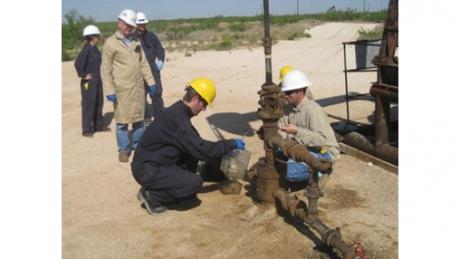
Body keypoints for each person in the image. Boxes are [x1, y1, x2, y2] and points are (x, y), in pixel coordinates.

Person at [131, 77, 246, 215]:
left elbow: (195, 145)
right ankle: (153, 196)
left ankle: (156, 186)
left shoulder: (177, 112)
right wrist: (231, 143)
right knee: (193, 184)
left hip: (152, 163)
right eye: (204, 104)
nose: (203, 109)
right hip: (147, 169)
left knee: (190, 156)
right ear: (196, 99)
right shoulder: (178, 120)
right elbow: (202, 149)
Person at [101, 9, 157, 162]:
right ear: (119, 23)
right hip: (122, 89)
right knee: (122, 122)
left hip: (138, 88)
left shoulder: (135, 41)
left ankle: (138, 146)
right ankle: (124, 149)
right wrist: (109, 89)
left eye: (131, 26)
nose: (129, 29)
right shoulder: (110, 43)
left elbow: (143, 63)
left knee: (139, 120)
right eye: (127, 25)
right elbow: (105, 69)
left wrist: (150, 81)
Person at [277, 69, 339, 185]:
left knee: (291, 173)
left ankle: (324, 168)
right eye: (285, 92)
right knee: (276, 155)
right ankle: (303, 165)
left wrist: (296, 132)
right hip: (302, 147)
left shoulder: (312, 109)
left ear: (300, 91)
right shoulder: (289, 107)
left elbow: (321, 140)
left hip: (323, 150)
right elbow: (281, 128)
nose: (285, 96)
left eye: (289, 92)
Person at [74, 25, 110, 137]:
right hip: (88, 83)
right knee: (88, 105)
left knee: (99, 102)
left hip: (97, 80)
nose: (99, 38)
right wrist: (84, 76)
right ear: (93, 37)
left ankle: (98, 126)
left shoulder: (94, 49)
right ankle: (87, 130)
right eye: (97, 36)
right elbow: (78, 64)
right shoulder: (86, 50)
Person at [134, 12, 166, 125]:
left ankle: (160, 119)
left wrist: (161, 60)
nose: (142, 25)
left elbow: (160, 49)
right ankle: (144, 119)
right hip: (138, 71)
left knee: (157, 94)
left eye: (143, 23)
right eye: (139, 23)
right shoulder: (132, 38)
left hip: (153, 69)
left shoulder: (151, 36)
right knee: (140, 96)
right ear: (135, 24)